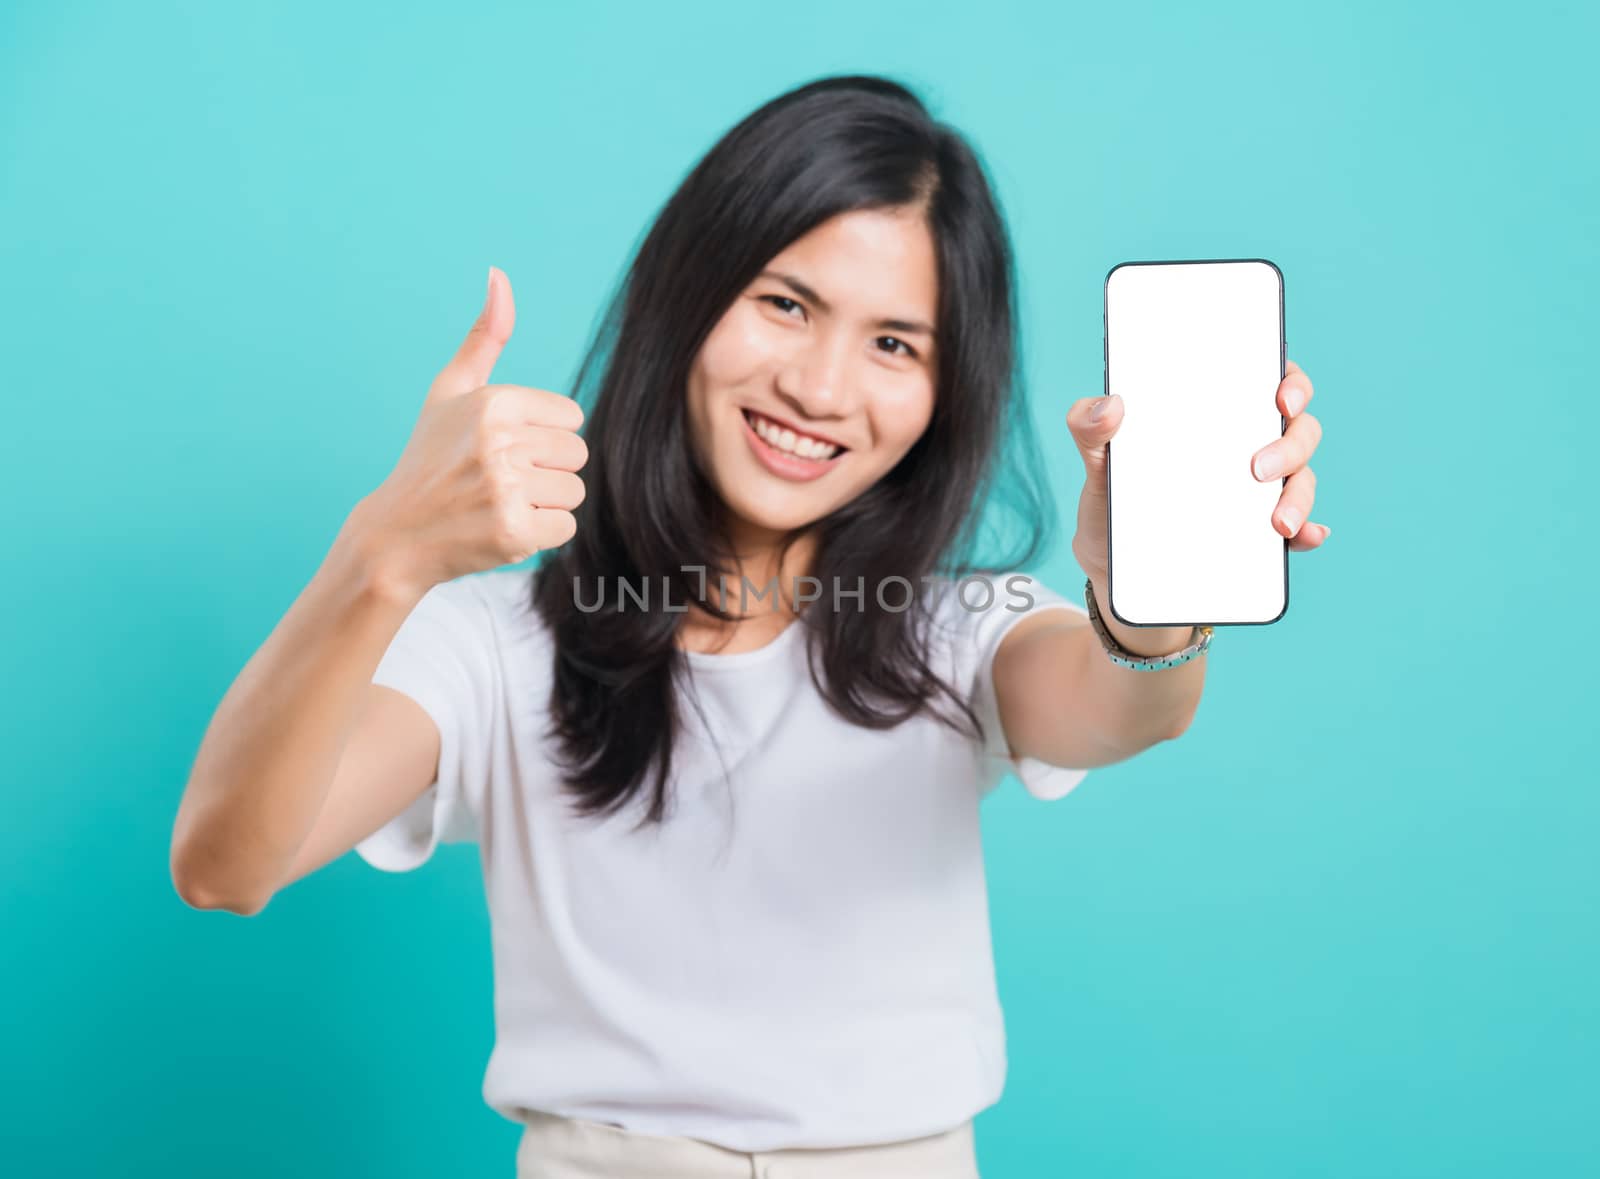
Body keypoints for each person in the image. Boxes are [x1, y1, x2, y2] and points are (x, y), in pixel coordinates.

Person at [169, 74, 1326, 1178]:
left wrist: (1151, 588)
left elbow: (1130, 706)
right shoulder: (491, 639)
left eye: (893, 344)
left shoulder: (955, 630)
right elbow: (226, 865)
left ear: (942, 394)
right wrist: (383, 552)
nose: (821, 389)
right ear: (689, 297)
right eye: (784, 303)